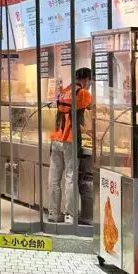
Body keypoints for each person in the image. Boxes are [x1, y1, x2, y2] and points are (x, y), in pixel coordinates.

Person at [47, 67, 93, 224]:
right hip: (69, 139)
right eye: (90, 81)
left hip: (56, 138)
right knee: (70, 177)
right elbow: (93, 110)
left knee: (54, 178)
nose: (90, 85)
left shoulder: (64, 91)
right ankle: (70, 215)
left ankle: (53, 213)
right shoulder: (82, 93)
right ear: (86, 79)